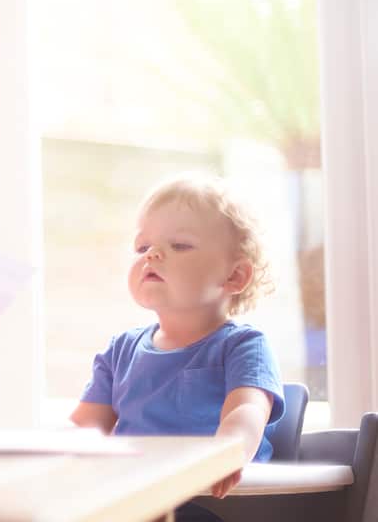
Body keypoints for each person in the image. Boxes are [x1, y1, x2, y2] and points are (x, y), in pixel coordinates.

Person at [69, 173, 284, 518]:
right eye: (142, 247)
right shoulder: (119, 350)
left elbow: (246, 414)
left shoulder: (244, 346)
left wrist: (226, 453)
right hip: (133, 498)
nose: (152, 255)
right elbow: (83, 430)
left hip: (208, 501)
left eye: (179, 245)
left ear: (234, 277)